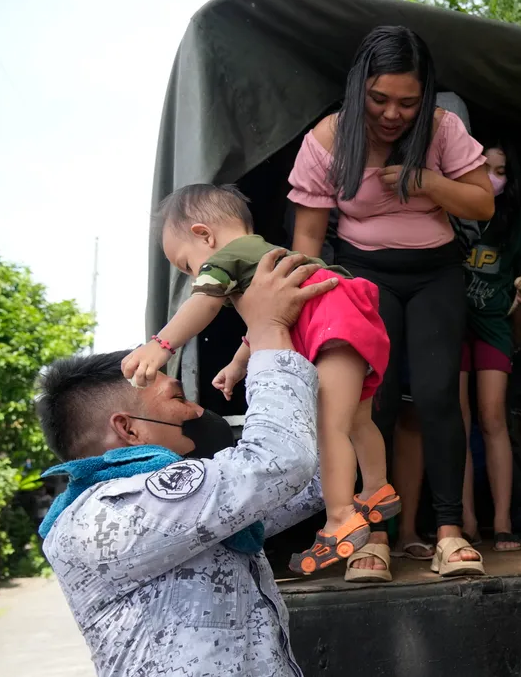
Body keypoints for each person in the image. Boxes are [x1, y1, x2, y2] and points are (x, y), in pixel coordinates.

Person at [37, 250, 335, 676]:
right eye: (177, 399)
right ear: (129, 430)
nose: (197, 411)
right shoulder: (108, 515)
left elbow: (307, 482)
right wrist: (268, 329)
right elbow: (278, 463)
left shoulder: (193, 512)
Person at [287, 26, 493, 577]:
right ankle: (372, 535)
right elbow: (307, 240)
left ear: (426, 97)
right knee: (365, 405)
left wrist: (427, 181)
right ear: (359, 89)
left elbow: (482, 203)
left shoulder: (443, 129)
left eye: (408, 102)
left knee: (435, 395)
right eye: (380, 99)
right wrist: (306, 304)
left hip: (435, 274)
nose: (392, 114)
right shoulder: (328, 140)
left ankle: (448, 532)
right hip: (361, 275)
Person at [121, 184, 397, 579]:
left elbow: (205, 301)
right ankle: (376, 488)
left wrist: (162, 345)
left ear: (204, 235)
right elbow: (262, 322)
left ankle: (340, 518)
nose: (193, 274)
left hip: (329, 325)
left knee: (328, 427)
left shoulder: (228, 256)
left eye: (186, 265)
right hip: (349, 315)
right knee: (356, 420)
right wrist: (237, 365)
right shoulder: (266, 256)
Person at [460, 139, 521, 552]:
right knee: (458, 420)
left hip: (494, 324)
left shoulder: (516, 220)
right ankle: (468, 522)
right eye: (483, 167)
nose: (492, 176)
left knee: (493, 419)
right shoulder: (452, 207)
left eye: (500, 171)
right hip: (451, 323)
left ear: (510, 179)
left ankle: (503, 521)